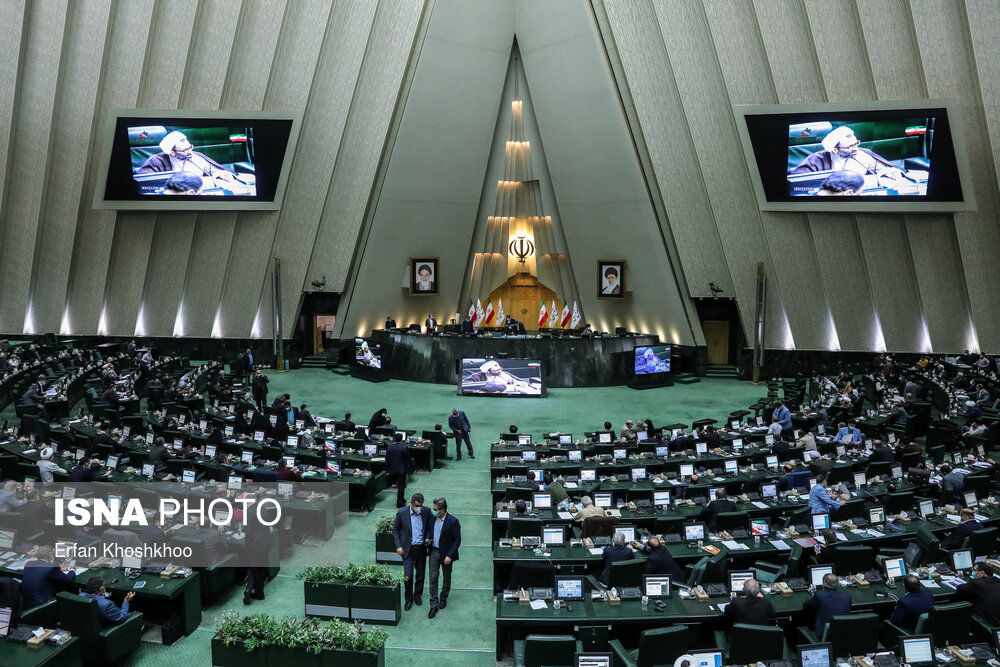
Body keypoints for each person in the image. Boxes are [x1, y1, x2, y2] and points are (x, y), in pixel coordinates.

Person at [790, 126, 906, 187]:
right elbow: (798, 182)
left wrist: (891, 172)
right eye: (850, 146)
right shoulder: (816, 160)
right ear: (835, 150)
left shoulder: (863, 154)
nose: (855, 148)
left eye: (856, 143)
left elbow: (883, 169)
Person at [136, 130, 242, 189]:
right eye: (185, 150)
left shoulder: (197, 157)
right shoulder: (157, 161)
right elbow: (145, 183)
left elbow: (214, 170)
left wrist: (223, 174)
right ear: (172, 153)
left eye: (190, 147)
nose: (190, 152)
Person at [394, 493, 433, 610]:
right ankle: (408, 599)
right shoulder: (402, 513)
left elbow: (429, 528)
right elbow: (395, 531)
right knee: (408, 575)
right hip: (408, 549)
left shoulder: (426, 511)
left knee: (420, 575)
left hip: (421, 549)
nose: (419, 508)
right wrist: (398, 546)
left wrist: (428, 538)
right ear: (411, 503)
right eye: (417, 506)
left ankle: (417, 596)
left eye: (420, 506)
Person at [427, 497, 460, 618]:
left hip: (446, 555)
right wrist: (428, 539)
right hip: (434, 552)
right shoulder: (432, 518)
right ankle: (433, 605)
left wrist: (449, 555)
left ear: (443, 510)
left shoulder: (453, 521)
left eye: (435, 509)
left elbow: (457, 541)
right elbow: (429, 530)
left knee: (446, 577)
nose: (433, 511)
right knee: (433, 578)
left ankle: (444, 597)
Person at [386, 433, 414, 509]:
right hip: (401, 470)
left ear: (394, 439)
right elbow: (409, 459)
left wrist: (387, 470)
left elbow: (387, 459)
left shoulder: (389, 447)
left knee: (396, 484)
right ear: (402, 439)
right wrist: (413, 468)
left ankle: (401, 499)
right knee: (401, 487)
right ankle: (400, 503)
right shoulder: (404, 447)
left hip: (392, 470)